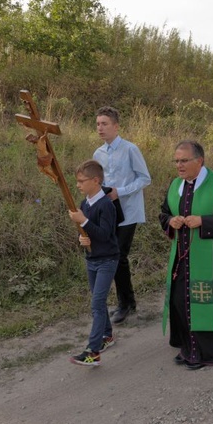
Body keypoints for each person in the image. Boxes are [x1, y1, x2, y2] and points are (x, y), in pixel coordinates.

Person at [159, 141, 213, 370]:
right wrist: (171, 221)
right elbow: (163, 213)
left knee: (205, 302)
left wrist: (203, 221)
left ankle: (208, 352)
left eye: (184, 160)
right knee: (180, 301)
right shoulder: (176, 185)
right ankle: (188, 346)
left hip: (210, 261)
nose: (179, 165)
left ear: (199, 161)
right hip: (182, 259)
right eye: (176, 161)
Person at [93, 106, 152, 324]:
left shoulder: (130, 149)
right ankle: (128, 301)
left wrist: (121, 191)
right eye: (98, 124)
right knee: (113, 256)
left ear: (116, 127)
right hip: (109, 212)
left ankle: (124, 304)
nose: (100, 128)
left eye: (105, 124)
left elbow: (145, 178)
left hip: (129, 212)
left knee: (118, 256)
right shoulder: (97, 153)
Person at [67, 160, 120, 366]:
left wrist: (84, 221)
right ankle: (107, 335)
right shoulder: (84, 204)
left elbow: (106, 235)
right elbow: (87, 233)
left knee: (97, 304)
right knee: (97, 300)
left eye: (82, 181)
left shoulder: (106, 204)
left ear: (96, 181)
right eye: (77, 181)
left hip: (107, 259)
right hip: (92, 259)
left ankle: (93, 351)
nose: (78, 185)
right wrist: (82, 238)